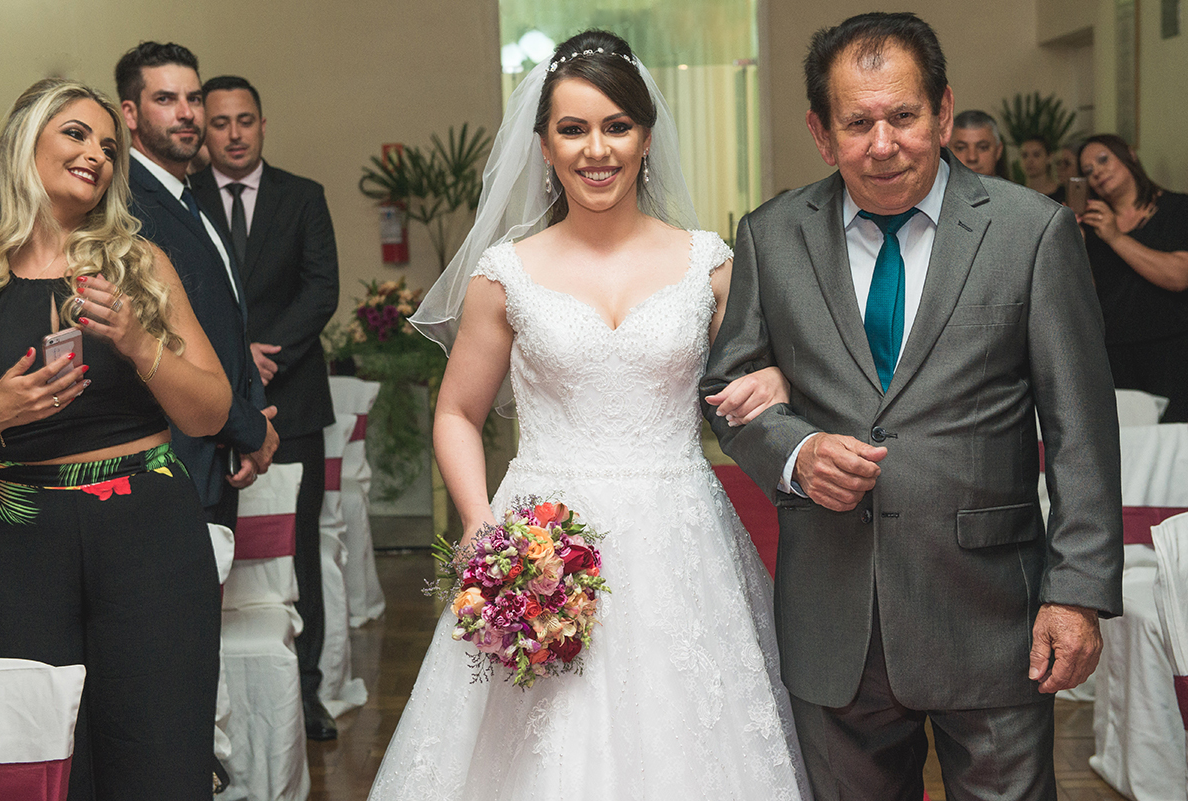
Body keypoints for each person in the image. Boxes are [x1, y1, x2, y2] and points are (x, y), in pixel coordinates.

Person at [367, 30, 812, 801]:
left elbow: (750, 380)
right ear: (543, 144)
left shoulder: (708, 263)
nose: (595, 149)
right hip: (542, 534)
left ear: (645, 136)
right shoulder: (505, 274)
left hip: (681, 540)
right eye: (572, 129)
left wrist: (771, 375)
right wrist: (479, 523)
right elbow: (457, 414)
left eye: (616, 125)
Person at [702, 12, 1122, 800]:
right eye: (857, 122)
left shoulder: (1030, 233)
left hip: (994, 616)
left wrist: (1077, 591)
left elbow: (1082, 430)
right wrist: (794, 452)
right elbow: (729, 391)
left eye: (902, 115)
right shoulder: (771, 236)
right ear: (822, 135)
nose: (882, 142)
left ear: (942, 112)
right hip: (834, 617)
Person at [0, 79, 232, 800]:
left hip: (146, 532)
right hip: (18, 541)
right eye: (75, 134)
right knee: (31, 753)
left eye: (106, 144)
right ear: (24, 140)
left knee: (157, 747)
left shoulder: (138, 264)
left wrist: (136, 338)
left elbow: (211, 412)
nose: (96, 153)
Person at [191, 74, 341, 740]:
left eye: (244, 119)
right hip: (205, 404)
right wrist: (231, 355)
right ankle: (203, 697)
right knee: (207, 545)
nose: (232, 132)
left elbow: (322, 288)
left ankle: (306, 695)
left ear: (261, 123)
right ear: (205, 130)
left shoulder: (304, 196)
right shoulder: (180, 199)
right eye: (219, 121)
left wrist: (262, 351)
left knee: (299, 551)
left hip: (294, 398)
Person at [114, 42, 278, 527]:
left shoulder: (187, 195)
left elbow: (221, 324)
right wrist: (249, 429)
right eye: (166, 100)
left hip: (214, 452)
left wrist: (247, 424)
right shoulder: (129, 208)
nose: (187, 114)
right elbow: (170, 341)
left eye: (194, 98)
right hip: (173, 461)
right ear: (130, 113)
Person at [1078, 133, 1188, 421]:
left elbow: (1179, 275)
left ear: (1129, 155)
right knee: (1127, 446)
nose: (1098, 172)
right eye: (1088, 171)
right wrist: (1075, 245)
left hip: (1172, 350)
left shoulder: (1177, 209)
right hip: (1115, 354)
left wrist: (1115, 237)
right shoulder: (1092, 227)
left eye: (1103, 160)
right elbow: (1088, 295)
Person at [951, 109, 1009, 178]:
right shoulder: (936, 188)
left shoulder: (1014, 189)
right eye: (961, 148)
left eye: (983, 148)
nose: (972, 158)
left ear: (998, 151)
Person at [1019, 135, 1065, 202]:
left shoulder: (1063, 194)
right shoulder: (1016, 194)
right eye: (1024, 155)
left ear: (1049, 158)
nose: (1029, 160)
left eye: (1036, 155)